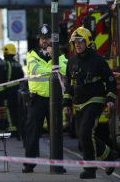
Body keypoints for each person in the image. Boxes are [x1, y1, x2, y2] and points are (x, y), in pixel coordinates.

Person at [62, 27, 118, 179]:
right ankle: (109, 156)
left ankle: (90, 168)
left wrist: (110, 99)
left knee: (86, 132)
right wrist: (66, 102)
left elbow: (111, 82)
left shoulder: (99, 61)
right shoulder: (71, 61)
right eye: (74, 42)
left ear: (87, 42)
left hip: (95, 101)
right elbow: (69, 85)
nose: (77, 45)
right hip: (79, 104)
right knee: (82, 137)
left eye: (80, 41)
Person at [22, 24, 68, 173]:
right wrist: (54, 69)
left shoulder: (59, 55)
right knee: (33, 133)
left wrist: (54, 56)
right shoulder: (32, 54)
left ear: (51, 39)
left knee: (56, 133)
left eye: (47, 38)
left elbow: (65, 69)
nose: (44, 41)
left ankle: (57, 165)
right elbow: (35, 70)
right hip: (36, 99)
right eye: (42, 38)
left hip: (54, 100)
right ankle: (29, 164)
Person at [2, 43, 24, 139]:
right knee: (17, 111)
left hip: (8, 90)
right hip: (17, 90)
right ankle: (18, 130)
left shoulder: (6, 63)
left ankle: (12, 131)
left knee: (9, 111)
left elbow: (4, 77)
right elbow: (21, 76)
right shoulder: (17, 63)